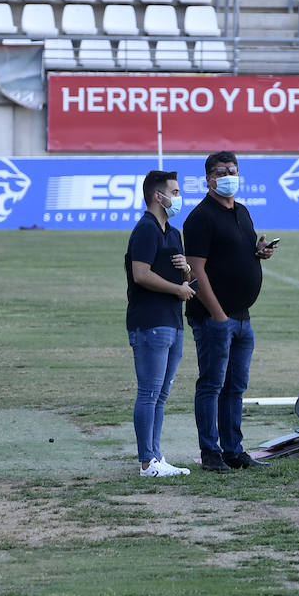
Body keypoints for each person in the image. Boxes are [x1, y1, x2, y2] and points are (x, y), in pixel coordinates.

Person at [183, 150, 276, 472]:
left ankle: (234, 450)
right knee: (211, 385)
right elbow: (195, 271)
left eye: (232, 171)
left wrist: (258, 252)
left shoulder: (243, 212)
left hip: (241, 316)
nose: (228, 177)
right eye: (221, 172)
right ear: (208, 179)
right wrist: (218, 314)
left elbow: (235, 253)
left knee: (235, 387)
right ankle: (210, 453)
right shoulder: (200, 217)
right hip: (214, 317)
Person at [125, 170, 196, 478]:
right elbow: (141, 274)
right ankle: (146, 461)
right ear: (158, 196)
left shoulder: (172, 232)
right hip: (150, 322)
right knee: (149, 392)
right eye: (175, 192)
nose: (178, 198)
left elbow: (176, 276)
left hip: (172, 321)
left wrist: (186, 270)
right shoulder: (145, 230)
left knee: (161, 394)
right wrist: (178, 290)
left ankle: (155, 456)